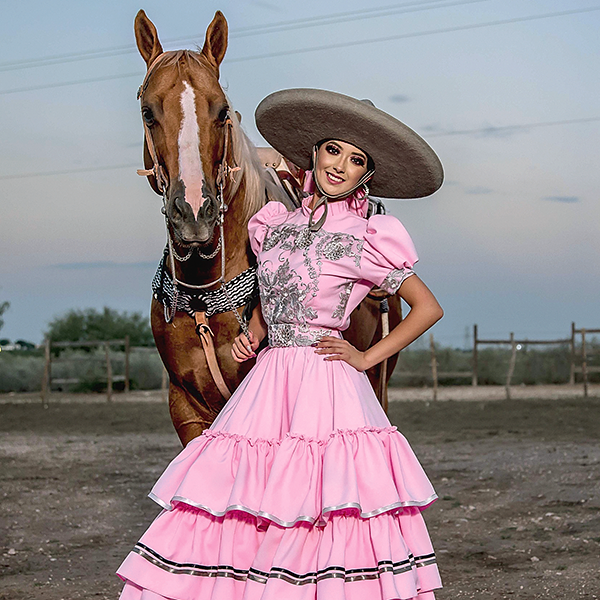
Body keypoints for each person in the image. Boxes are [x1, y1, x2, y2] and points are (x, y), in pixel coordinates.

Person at [117, 88, 444, 600]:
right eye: (333, 149)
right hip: (271, 379)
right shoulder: (275, 226)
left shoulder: (367, 236)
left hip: (326, 382)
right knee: (249, 496)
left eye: (357, 160)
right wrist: (257, 332)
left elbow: (428, 308)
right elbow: (279, 293)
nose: (341, 165)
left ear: (367, 175)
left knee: (325, 502)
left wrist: (364, 357)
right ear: (314, 153)